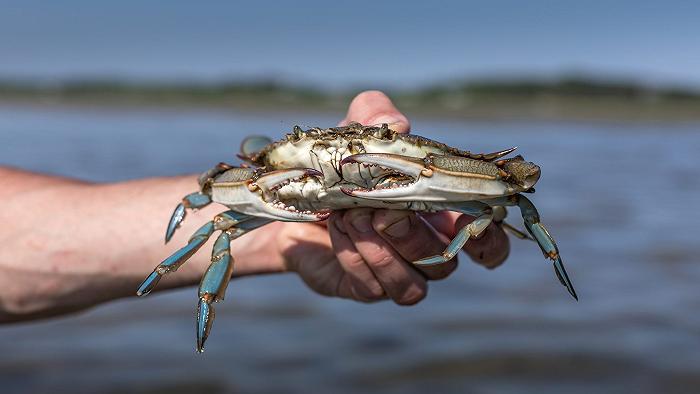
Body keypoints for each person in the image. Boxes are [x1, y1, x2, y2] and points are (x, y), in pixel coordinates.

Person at [0, 91, 509, 322]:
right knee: (220, 227)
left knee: (495, 201)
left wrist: (280, 238)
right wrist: (267, 210)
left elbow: (514, 184)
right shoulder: (255, 173)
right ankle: (199, 296)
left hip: (417, 189)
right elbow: (215, 193)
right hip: (271, 196)